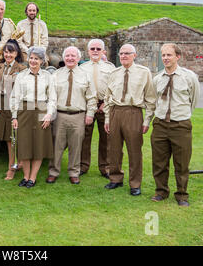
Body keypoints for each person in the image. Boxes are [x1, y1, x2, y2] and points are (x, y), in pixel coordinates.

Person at [150, 43, 200, 207]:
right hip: (160, 125)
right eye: (163, 55)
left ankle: (182, 195)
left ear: (178, 56)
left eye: (169, 55)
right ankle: (161, 191)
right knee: (159, 162)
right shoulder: (157, 78)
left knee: (182, 163)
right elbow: (153, 102)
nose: (165, 58)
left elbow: (193, 100)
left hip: (181, 125)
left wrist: (182, 117)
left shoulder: (189, 77)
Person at [103, 44, 156, 196]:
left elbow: (151, 99)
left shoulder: (144, 72)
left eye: (127, 53)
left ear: (135, 55)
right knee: (113, 149)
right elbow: (107, 97)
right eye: (121, 53)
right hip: (115, 112)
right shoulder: (114, 73)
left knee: (134, 150)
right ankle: (115, 178)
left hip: (133, 113)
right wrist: (107, 118)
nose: (124, 56)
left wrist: (146, 121)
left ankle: (135, 184)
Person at [46, 46, 97, 185]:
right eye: (67, 55)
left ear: (78, 58)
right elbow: (52, 97)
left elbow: (92, 97)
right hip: (60, 115)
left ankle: (74, 172)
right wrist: (50, 114)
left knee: (76, 146)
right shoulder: (56, 75)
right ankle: (53, 171)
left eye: (73, 56)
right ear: (63, 58)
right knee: (56, 145)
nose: (70, 58)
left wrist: (90, 114)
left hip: (78, 115)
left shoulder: (86, 75)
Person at [10, 46, 56, 188]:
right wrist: (14, 117)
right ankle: (25, 176)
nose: (33, 61)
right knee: (25, 145)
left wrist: (49, 115)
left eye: (36, 58)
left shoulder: (48, 76)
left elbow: (52, 98)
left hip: (42, 110)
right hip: (24, 111)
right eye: (31, 58)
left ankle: (33, 178)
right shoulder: (21, 76)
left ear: (42, 61)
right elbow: (14, 97)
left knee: (38, 146)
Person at [79, 39, 115, 178]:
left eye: (98, 49)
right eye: (92, 49)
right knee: (84, 137)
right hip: (88, 106)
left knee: (106, 138)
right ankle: (83, 165)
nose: (95, 51)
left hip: (104, 105)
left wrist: (105, 103)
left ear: (103, 52)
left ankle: (105, 167)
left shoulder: (110, 67)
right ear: (88, 51)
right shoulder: (82, 68)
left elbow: (113, 88)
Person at [0, 39, 27, 180]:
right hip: (2, 105)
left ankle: (16, 165)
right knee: (8, 137)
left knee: (17, 136)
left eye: (11, 52)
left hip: (16, 106)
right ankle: (13, 164)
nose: (8, 55)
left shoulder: (22, 69)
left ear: (16, 53)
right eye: (6, 52)